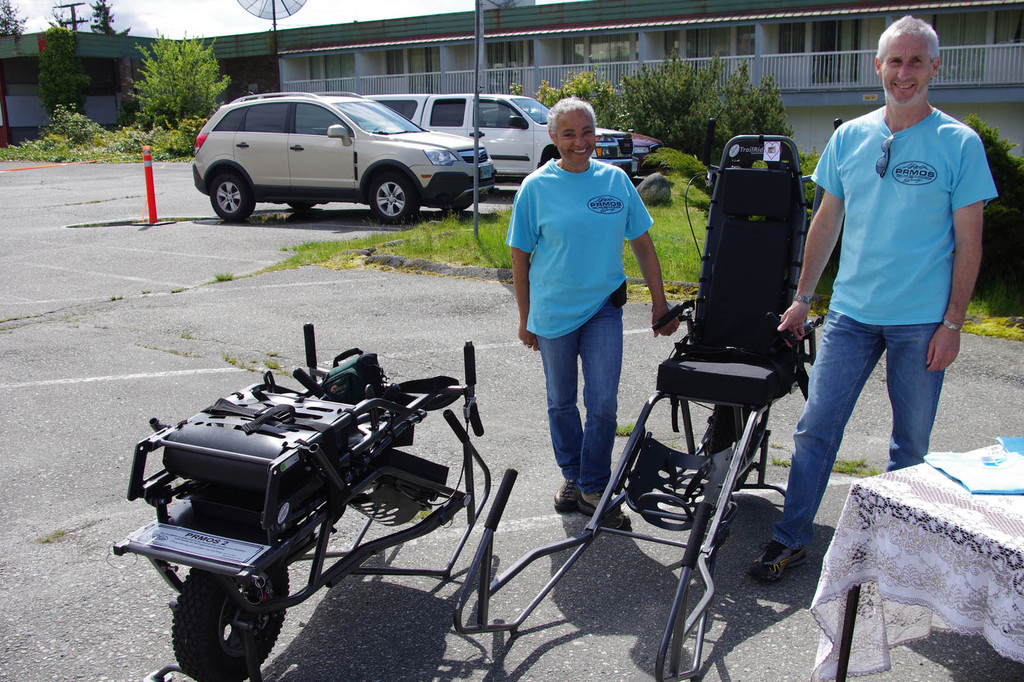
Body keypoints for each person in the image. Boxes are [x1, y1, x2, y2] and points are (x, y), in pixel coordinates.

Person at [749, 15, 998, 582]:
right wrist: (803, 297)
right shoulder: (850, 137)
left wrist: (953, 324)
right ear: (878, 66)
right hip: (851, 316)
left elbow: (970, 241)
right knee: (815, 429)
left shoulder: (959, 143)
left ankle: (894, 555)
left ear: (935, 68)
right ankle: (791, 538)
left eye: (916, 62)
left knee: (909, 446)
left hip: (922, 323)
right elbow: (826, 222)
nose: (904, 73)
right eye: (895, 61)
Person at [506, 97, 678, 530]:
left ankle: (594, 487)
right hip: (552, 312)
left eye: (587, 132)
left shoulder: (615, 181)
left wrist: (659, 303)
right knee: (561, 401)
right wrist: (525, 318)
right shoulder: (535, 188)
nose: (579, 141)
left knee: (602, 403)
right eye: (569, 134)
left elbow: (643, 245)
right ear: (553, 137)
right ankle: (573, 475)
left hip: (603, 308)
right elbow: (519, 259)